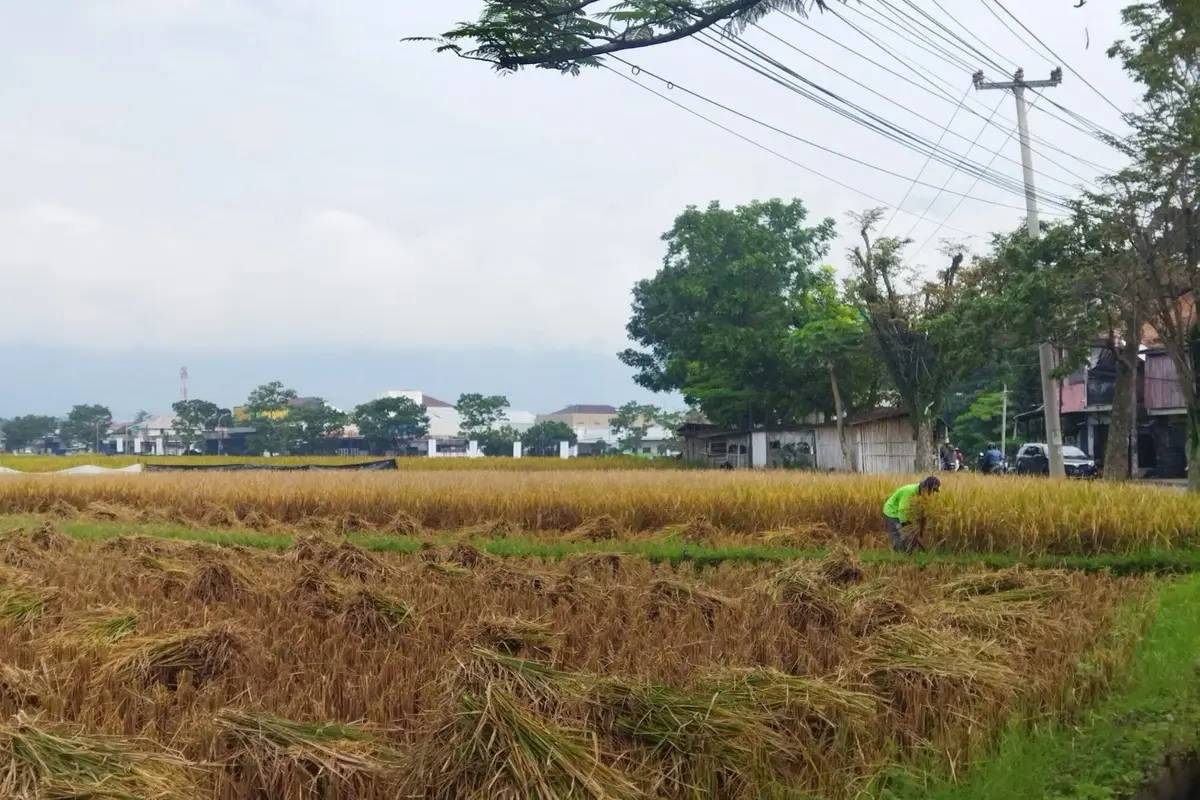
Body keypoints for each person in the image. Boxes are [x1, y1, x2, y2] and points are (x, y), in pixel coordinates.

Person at [882, 475, 941, 553]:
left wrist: (920, 530)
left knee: (910, 536)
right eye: (932, 491)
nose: (932, 493)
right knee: (898, 535)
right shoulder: (909, 492)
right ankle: (900, 555)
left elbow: (922, 513)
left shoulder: (923, 494)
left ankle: (908, 553)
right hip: (892, 512)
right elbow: (902, 510)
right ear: (926, 488)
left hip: (904, 513)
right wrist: (905, 525)